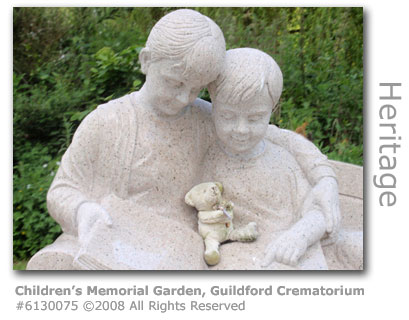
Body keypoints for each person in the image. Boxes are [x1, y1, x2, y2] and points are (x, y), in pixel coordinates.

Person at [27, 10, 339, 270]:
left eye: (196, 88)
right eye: (175, 82)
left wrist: (325, 178)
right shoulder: (108, 122)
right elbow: (63, 190)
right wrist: (83, 211)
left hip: (189, 248)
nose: (183, 97)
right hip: (121, 242)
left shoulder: (203, 116)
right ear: (146, 61)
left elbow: (278, 137)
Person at [202, 48, 331, 269]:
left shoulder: (282, 161)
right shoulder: (209, 160)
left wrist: (300, 236)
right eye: (227, 116)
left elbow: (318, 210)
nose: (241, 130)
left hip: (293, 249)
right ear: (213, 108)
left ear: (273, 111)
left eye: (255, 118)